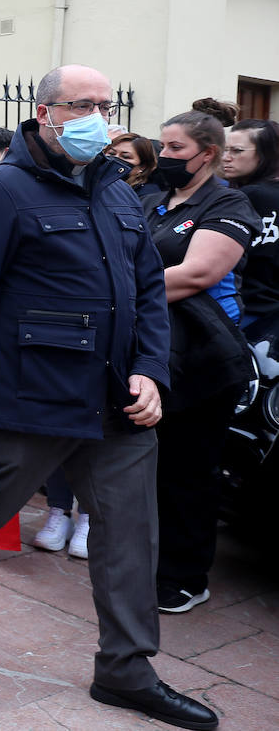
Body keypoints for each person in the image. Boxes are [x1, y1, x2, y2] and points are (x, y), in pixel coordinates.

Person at [0, 64, 218, 731]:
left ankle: (126, 671)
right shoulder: (3, 193)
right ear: (47, 112)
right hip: (32, 399)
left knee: (129, 542)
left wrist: (151, 369)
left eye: (104, 104)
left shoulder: (119, 191)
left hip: (118, 400)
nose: (96, 115)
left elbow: (148, 290)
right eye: (81, 104)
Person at [142, 99, 258, 617]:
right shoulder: (152, 199)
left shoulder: (228, 206)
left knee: (188, 472)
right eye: (162, 144)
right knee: (147, 467)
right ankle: (145, 560)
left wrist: (118, 291)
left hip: (204, 360)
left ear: (206, 154)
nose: (163, 154)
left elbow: (196, 275)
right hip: (151, 350)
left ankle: (185, 577)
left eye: (175, 148)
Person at [223, 118, 279, 331]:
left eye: (237, 151)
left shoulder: (247, 197)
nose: (226, 158)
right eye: (226, 149)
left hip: (250, 311)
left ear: (266, 154)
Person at [106, 132, 159, 197]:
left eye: (125, 156)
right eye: (111, 153)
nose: (115, 159)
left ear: (142, 167)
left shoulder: (147, 195)